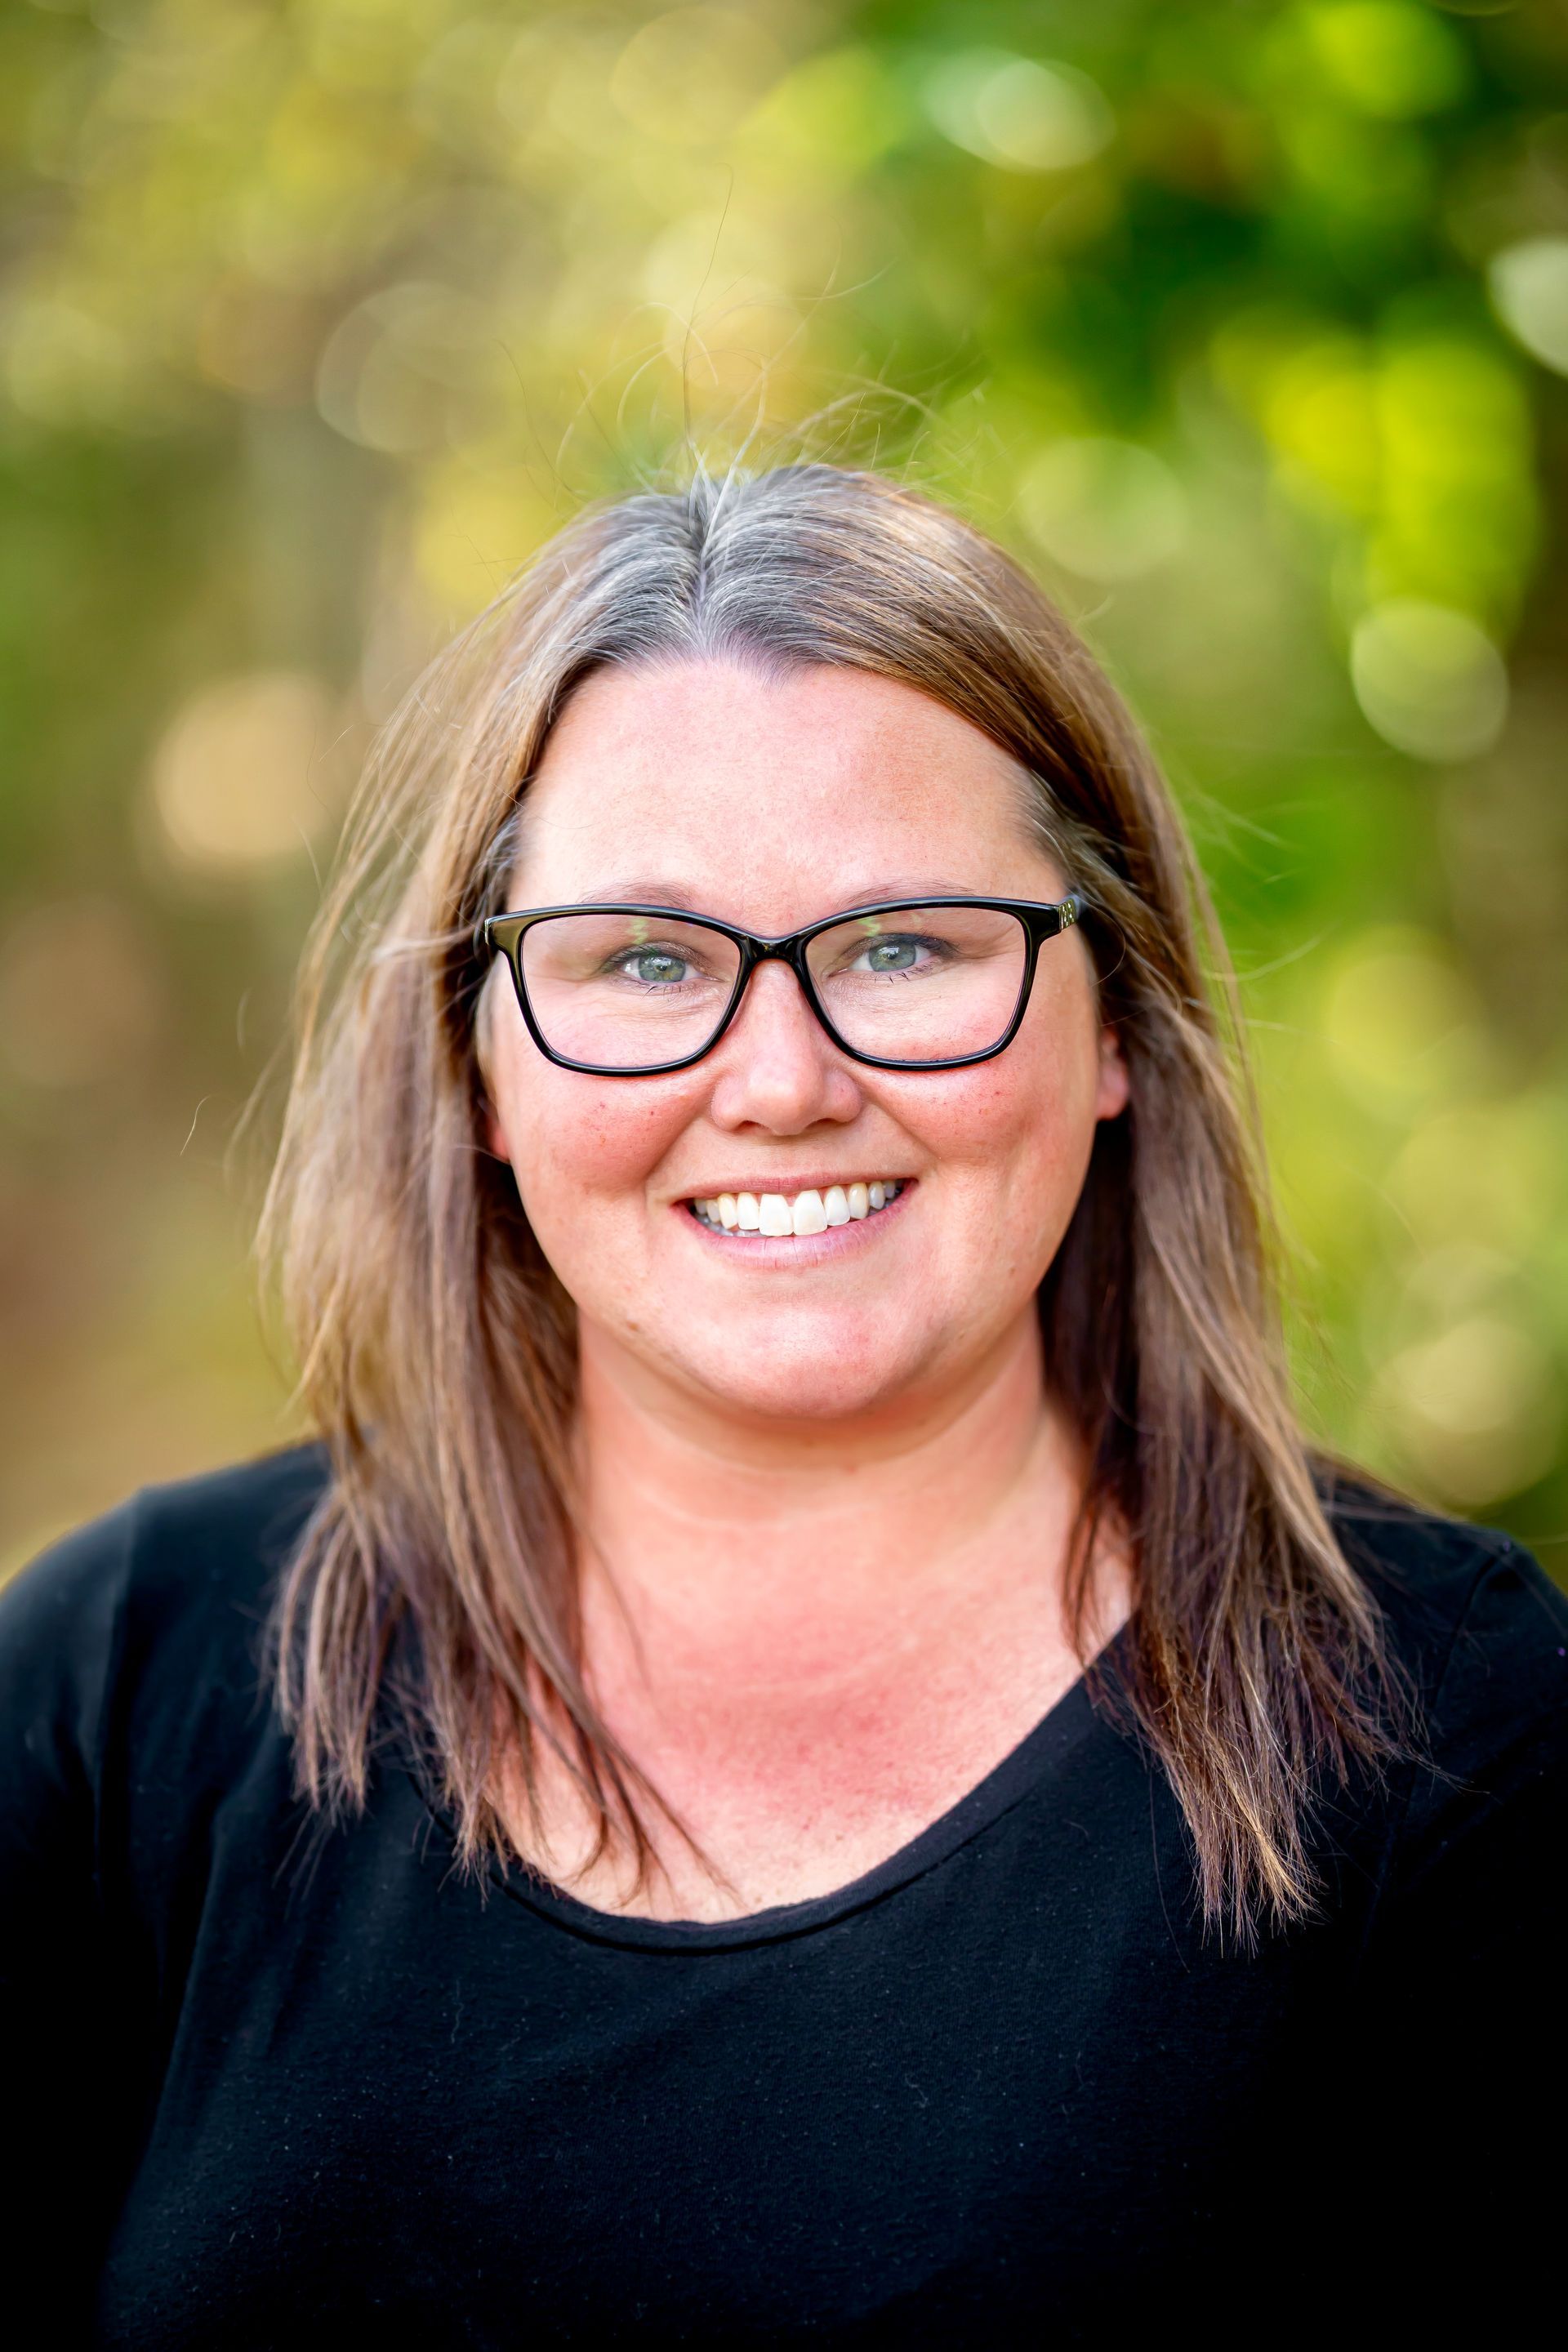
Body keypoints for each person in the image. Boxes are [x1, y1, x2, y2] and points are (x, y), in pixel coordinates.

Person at [2, 466, 1562, 2345]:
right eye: (644, 963)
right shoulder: (121, 1684)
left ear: (1119, 1030)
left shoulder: (1454, 1740)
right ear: (481, 1069)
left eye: (906, 946)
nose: (779, 1079)